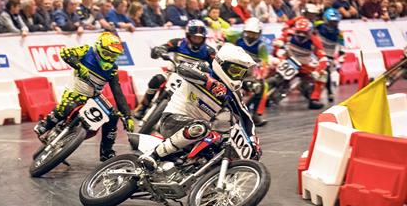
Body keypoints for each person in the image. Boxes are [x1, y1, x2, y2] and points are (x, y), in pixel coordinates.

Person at [138, 43, 261, 170]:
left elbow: (245, 117)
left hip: (196, 133)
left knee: (221, 145)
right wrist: (209, 83)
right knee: (203, 127)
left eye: (241, 73)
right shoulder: (202, 68)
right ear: (221, 65)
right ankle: (153, 154)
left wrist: (253, 142)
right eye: (235, 71)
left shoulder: (233, 93)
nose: (237, 77)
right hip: (172, 120)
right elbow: (182, 68)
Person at [34, 32, 134, 162]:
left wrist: (127, 116)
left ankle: (106, 151)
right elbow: (65, 53)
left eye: (114, 56)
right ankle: (45, 124)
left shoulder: (113, 69)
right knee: (68, 105)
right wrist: (79, 66)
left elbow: (118, 93)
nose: (110, 58)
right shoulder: (87, 51)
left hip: (93, 97)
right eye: (108, 54)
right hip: (74, 91)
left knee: (113, 116)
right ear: (99, 48)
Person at [133, 20, 216, 119]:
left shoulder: (209, 51)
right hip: (172, 73)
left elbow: (215, 67)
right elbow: (164, 47)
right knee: (157, 79)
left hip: (193, 81)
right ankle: (143, 106)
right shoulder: (178, 43)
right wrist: (159, 50)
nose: (197, 40)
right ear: (188, 35)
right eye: (194, 37)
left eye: (199, 38)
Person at [273, 18, 328, 109]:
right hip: (289, 60)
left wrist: (318, 71)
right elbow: (277, 41)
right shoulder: (289, 34)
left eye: (304, 33)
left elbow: (323, 58)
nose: (301, 35)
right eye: (299, 32)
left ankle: (314, 99)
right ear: (295, 30)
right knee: (272, 65)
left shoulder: (315, 41)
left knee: (323, 75)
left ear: (310, 32)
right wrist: (279, 47)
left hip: (304, 65)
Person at [236, 18, 269, 126]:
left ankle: (256, 114)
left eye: (253, 34)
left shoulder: (261, 46)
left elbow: (265, 63)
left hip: (251, 73)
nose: (250, 36)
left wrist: (259, 75)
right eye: (249, 33)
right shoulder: (237, 39)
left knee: (263, 86)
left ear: (259, 34)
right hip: (235, 69)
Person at [315, 8, 344, 102]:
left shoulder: (339, 33)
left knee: (326, 71)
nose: (334, 24)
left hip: (329, 56)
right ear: (326, 20)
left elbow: (341, 47)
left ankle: (329, 92)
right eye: (332, 22)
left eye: (336, 22)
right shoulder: (318, 25)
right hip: (314, 54)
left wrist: (340, 58)